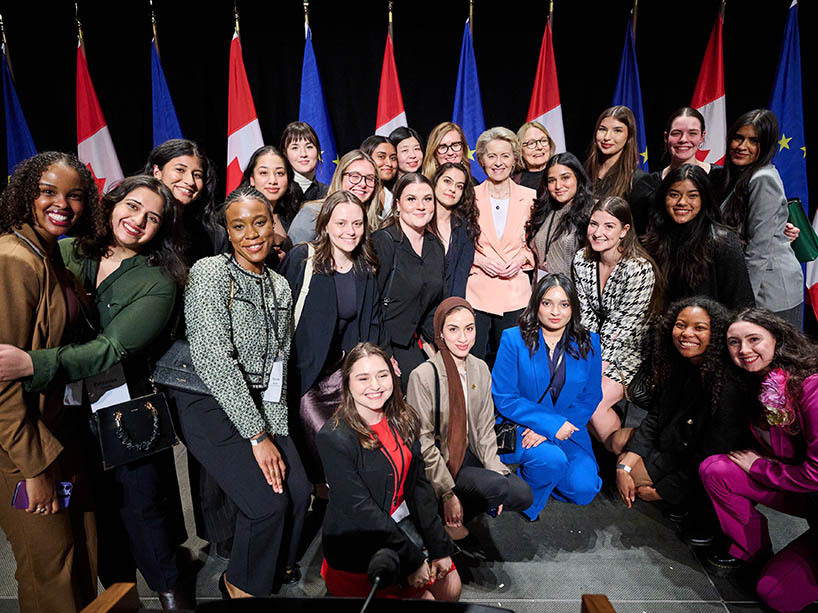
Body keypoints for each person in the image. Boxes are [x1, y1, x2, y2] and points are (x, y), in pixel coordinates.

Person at [0, 175, 190, 608]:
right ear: (113, 203)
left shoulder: (158, 281)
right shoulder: (67, 251)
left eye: (153, 218)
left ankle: (173, 598)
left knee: (142, 511)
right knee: (93, 517)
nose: (139, 220)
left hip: (124, 412)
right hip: (64, 413)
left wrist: (34, 363)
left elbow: (111, 348)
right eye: (133, 206)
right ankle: (121, 599)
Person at [175, 186, 311, 598]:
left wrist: (275, 432)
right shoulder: (210, 273)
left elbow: (277, 366)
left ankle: (269, 567)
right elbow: (216, 360)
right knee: (267, 503)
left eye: (260, 222)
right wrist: (258, 438)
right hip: (208, 401)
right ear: (228, 233)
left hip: (258, 402)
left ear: (274, 226)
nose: (251, 233)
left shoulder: (278, 286)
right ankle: (239, 584)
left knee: (299, 489)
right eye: (239, 226)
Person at [0, 152, 98, 612]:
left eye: (74, 195)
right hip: (20, 450)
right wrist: (34, 469)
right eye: (48, 192)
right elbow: (1, 383)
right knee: (48, 570)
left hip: (58, 434)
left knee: (77, 559)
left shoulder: (50, 254)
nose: (62, 204)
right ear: (26, 196)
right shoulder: (13, 259)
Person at [316, 343, 461, 601]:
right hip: (360, 541)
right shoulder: (334, 437)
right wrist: (413, 558)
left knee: (451, 585)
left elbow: (419, 488)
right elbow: (360, 510)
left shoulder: (404, 419)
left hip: (401, 524)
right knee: (426, 600)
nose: (375, 385)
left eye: (382, 375)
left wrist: (439, 547)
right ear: (347, 383)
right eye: (363, 378)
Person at [700, 308, 818, 613]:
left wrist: (759, 468)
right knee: (717, 470)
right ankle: (751, 551)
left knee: (779, 594)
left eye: (754, 339)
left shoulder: (811, 387)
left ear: (777, 339)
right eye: (734, 342)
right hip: (801, 493)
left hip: (809, 485)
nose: (744, 350)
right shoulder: (752, 383)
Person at [615, 298, 752, 544]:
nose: (687, 333)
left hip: (699, 462)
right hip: (673, 445)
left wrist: (663, 491)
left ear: (716, 332)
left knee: (632, 473)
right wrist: (624, 466)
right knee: (619, 443)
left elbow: (710, 453)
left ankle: (687, 502)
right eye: (680, 325)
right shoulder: (678, 364)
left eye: (699, 328)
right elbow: (655, 417)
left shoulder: (725, 383)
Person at [406, 297, 532, 551]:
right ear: (440, 332)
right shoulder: (424, 375)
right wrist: (447, 493)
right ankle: (444, 516)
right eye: (453, 329)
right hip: (440, 461)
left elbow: (485, 428)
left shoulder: (480, 368)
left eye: (469, 328)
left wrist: (494, 469)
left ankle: (459, 513)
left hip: (469, 454)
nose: (463, 337)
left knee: (520, 493)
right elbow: (424, 442)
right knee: (495, 487)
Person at [279, 190, 384, 486]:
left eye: (357, 223)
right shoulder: (303, 259)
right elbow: (277, 314)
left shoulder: (365, 267)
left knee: (355, 449)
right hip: (306, 378)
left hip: (343, 376)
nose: (350, 231)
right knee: (323, 450)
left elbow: (371, 324)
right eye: (341, 223)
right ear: (325, 224)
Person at [492, 274, 603, 521]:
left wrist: (553, 428)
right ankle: (526, 498)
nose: (555, 311)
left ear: (573, 308)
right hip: (522, 427)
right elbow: (505, 396)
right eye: (547, 303)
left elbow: (591, 396)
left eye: (564, 304)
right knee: (552, 460)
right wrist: (548, 425)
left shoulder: (590, 342)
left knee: (584, 489)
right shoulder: (513, 339)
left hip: (569, 427)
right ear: (536, 305)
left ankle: (537, 475)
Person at [572, 196, 661, 453]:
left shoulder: (638, 269)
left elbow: (622, 328)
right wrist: (586, 357)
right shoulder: (582, 259)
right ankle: (603, 456)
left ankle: (626, 459)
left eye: (608, 226)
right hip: (595, 343)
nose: (598, 233)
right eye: (593, 224)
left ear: (624, 230)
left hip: (631, 348)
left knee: (593, 401)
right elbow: (586, 314)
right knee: (576, 392)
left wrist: (594, 367)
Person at [718, 109, 803, 327]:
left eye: (753, 141)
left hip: (770, 292)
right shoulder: (739, 176)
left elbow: (759, 249)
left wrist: (744, 304)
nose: (742, 146)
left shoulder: (763, 179)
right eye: (738, 137)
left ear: (766, 145)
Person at [466, 127, 535, 363]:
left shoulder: (531, 197)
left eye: (505, 156)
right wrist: (480, 260)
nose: (498, 162)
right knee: (475, 363)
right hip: (477, 292)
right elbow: (459, 244)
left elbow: (536, 245)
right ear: (482, 159)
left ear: (515, 159)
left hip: (515, 291)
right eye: (492, 156)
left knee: (513, 362)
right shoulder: (469, 197)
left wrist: (522, 258)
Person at [642, 165, 754, 309]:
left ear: (704, 199)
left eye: (693, 195)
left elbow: (742, 303)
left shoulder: (722, 241)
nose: (682, 202)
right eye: (674, 194)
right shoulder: (653, 238)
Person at [372, 173, 445, 392]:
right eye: (411, 199)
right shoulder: (384, 242)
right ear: (398, 204)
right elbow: (370, 304)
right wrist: (384, 353)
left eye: (427, 199)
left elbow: (433, 304)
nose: (421, 206)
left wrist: (444, 348)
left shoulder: (435, 246)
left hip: (412, 340)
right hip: (382, 339)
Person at [629, 108, 718, 235]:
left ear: (702, 137)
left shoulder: (720, 178)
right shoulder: (647, 185)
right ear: (666, 137)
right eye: (676, 133)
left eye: (692, 133)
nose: (683, 139)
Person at [144, 138, 221, 261]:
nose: (190, 182)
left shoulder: (212, 235)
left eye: (197, 175)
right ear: (157, 172)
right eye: (180, 170)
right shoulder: (137, 221)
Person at [287, 150, 381, 246]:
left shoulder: (377, 222)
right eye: (355, 176)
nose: (362, 184)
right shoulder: (312, 213)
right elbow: (294, 256)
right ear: (340, 177)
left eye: (370, 178)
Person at [525, 152, 594, 279]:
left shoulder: (592, 212)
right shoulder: (543, 211)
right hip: (542, 291)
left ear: (578, 178)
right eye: (552, 180)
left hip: (573, 294)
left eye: (565, 177)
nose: (558, 186)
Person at [240, 145, 302, 260]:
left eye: (279, 173)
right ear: (252, 179)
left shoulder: (295, 216)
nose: (273, 181)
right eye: (264, 173)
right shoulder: (235, 215)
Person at [431, 162, 479, 298]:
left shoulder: (465, 228)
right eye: (447, 181)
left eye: (459, 186)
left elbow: (460, 278)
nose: (452, 189)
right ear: (435, 181)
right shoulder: (420, 222)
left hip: (448, 306)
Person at [584, 106, 647, 202]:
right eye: (602, 129)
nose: (607, 137)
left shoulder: (637, 180)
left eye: (617, 130)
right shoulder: (583, 171)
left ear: (629, 137)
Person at [280, 121, 329, 202]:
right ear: (285, 153)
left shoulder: (328, 194)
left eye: (309, 147)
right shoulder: (278, 191)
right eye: (295, 148)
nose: (303, 154)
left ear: (318, 151)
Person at [361, 135, 398, 227]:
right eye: (381, 157)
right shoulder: (359, 192)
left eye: (393, 158)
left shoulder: (393, 196)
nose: (389, 163)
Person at [513, 121, 555, 191]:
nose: (539, 147)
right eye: (531, 143)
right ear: (520, 150)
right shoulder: (513, 182)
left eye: (543, 141)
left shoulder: (560, 174)